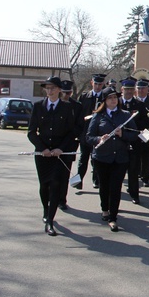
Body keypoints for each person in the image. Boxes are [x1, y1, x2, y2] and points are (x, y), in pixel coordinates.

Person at [27, 76, 77, 237]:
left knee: (55, 184)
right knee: (44, 185)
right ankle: (45, 209)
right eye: (47, 88)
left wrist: (60, 148)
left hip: (58, 154)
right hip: (42, 154)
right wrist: (42, 148)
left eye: (53, 88)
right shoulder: (38, 107)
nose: (49, 91)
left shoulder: (66, 108)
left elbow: (72, 132)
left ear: (59, 90)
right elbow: (31, 132)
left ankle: (50, 220)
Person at [85, 86, 138, 232]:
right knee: (104, 186)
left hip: (120, 158)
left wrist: (123, 135)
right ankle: (105, 210)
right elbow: (88, 137)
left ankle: (113, 217)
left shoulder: (126, 115)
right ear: (105, 101)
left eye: (115, 97)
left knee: (116, 187)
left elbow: (135, 135)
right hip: (102, 157)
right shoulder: (98, 116)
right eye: (110, 98)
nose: (113, 100)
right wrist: (98, 139)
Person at [75, 73, 106, 190]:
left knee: (96, 158)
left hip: (99, 133)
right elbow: (79, 115)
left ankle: (96, 180)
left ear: (103, 84)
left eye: (100, 84)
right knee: (83, 158)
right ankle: (79, 181)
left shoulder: (105, 97)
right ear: (92, 83)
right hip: (85, 133)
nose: (98, 86)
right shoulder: (84, 96)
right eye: (96, 84)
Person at [59, 79, 84, 210]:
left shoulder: (77, 106)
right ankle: (52, 197)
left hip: (69, 144)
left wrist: (70, 136)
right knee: (53, 174)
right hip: (54, 144)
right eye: (63, 93)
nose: (66, 96)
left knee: (64, 173)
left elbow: (80, 125)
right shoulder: (54, 104)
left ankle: (62, 199)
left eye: (68, 93)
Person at [118, 77, 144, 204]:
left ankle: (135, 194)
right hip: (118, 142)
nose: (128, 92)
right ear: (121, 89)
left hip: (134, 141)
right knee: (118, 171)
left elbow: (144, 123)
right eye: (126, 89)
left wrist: (144, 138)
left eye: (131, 89)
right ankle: (116, 195)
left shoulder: (139, 105)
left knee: (134, 171)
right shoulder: (115, 103)